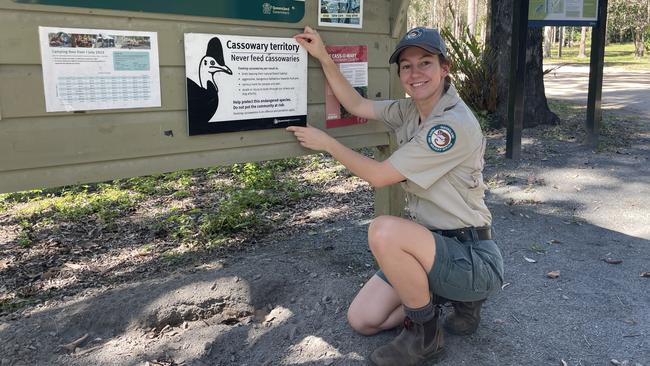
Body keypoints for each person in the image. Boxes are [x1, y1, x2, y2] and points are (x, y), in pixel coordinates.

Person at [288, 26, 504, 365]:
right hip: (430, 248)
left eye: (425, 63)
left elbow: (378, 175)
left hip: (470, 254)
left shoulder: (449, 125)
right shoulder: (411, 110)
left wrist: (327, 144)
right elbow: (356, 103)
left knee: (384, 230)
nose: (415, 73)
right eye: (406, 66)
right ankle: (440, 297)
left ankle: (426, 335)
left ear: (444, 68)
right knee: (363, 319)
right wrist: (323, 56)